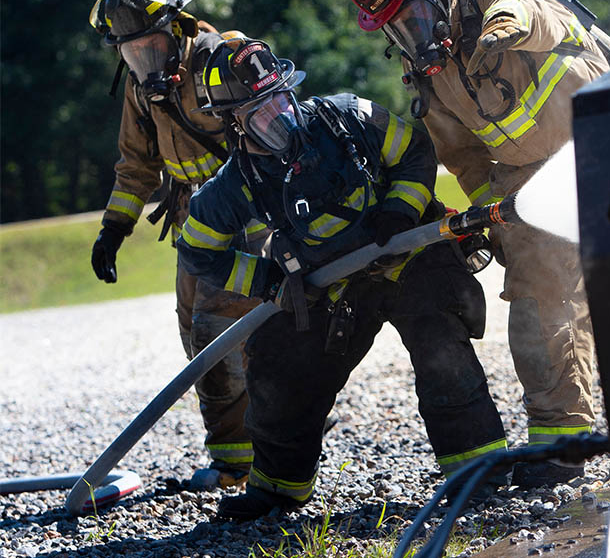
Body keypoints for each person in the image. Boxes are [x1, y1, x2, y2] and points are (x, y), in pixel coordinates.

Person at [177, 37, 508, 520]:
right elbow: (199, 251)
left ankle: (480, 474)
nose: (281, 118)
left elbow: (415, 151)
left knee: (441, 350)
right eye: (261, 113)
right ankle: (277, 490)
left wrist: (399, 210)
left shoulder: (348, 117)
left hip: (407, 257)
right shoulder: (233, 186)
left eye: (281, 99)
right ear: (235, 124)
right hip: (329, 287)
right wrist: (268, 280)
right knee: (279, 367)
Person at [342, 0, 610, 487]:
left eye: (415, 15)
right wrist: (495, 215)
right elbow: (464, 159)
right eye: (399, 29)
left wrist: (497, 31)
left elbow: (525, 9)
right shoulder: (430, 78)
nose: (416, 36)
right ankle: (562, 442)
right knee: (540, 301)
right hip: (531, 180)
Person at [88, 0, 268, 489]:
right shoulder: (143, 89)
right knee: (195, 329)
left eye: (152, 46)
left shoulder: (223, 59)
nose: (145, 61)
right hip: (192, 217)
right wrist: (114, 228)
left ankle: (242, 460)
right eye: (132, 53)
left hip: (244, 211)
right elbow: (136, 164)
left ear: (176, 27)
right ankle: (270, 428)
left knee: (219, 328)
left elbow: (277, 131)